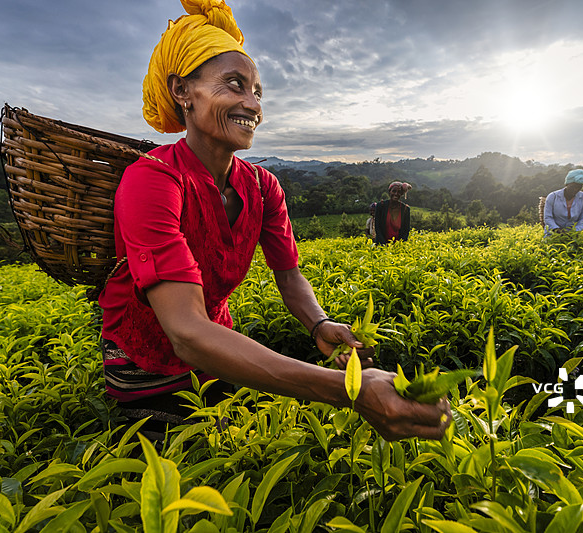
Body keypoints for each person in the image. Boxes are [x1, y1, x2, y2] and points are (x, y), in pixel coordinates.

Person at [97, 0, 450, 442]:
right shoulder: (152, 179)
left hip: (219, 352)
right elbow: (185, 331)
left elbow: (289, 275)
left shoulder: (263, 187)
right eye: (234, 85)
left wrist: (319, 323)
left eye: (258, 92)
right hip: (147, 365)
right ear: (182, 91)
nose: (253, 105)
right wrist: (350, 390)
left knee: (238, 446)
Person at [543, 169, 583, 237]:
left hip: (573, 236)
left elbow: (582, 219)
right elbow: (548, 217)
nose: (575, 189)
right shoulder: (553, 196)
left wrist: (574, 232)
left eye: (579, 187)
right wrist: (557, 229)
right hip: (553, 234)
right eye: (573, 186)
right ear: (567, 184)